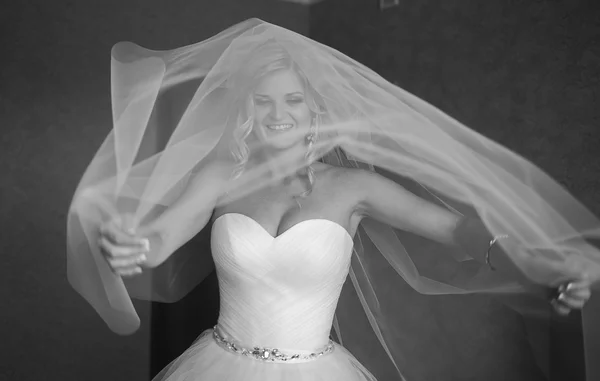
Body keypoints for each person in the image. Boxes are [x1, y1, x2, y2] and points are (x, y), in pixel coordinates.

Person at [67, 19, 600, 380]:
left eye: (293, 98)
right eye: (264, 98)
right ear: (247, 105)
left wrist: (535, 261)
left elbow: (459, 232)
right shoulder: (221, 174)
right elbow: (159, 241)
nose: (280, 112)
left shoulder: (354, 188)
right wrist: (130, 244)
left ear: (315, 107)